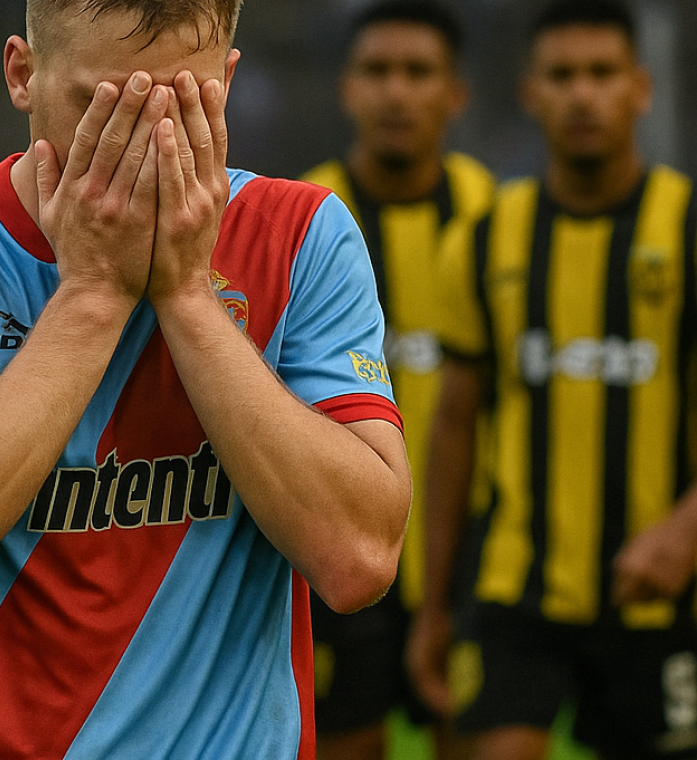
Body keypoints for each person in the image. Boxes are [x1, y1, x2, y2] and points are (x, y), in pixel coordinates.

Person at [0, 1, 412, 757]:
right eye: (104, 104)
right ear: (22, 75)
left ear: (227, 85)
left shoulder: (303, 236)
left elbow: (359, 559)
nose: (143, 143)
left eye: (179, 106)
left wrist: (187, 296)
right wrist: (93, 294)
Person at [406, 1, 697, 759]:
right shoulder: (484, 240)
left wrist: (685, 531)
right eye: (562, 76)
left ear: (641, 88)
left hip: (666, 597)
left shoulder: (688, 228)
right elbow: (454, 426)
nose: (583, 95)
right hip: (516, 590)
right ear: (530, 93)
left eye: (602, 73)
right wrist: (435, 604)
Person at [299, 2, 494, 759]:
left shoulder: (494, 217)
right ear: (347, 89)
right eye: (378, 71)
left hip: (476, 546)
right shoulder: (304, 219)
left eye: (419, 72)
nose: (397, 92)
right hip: (340, 536)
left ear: (457, 93)